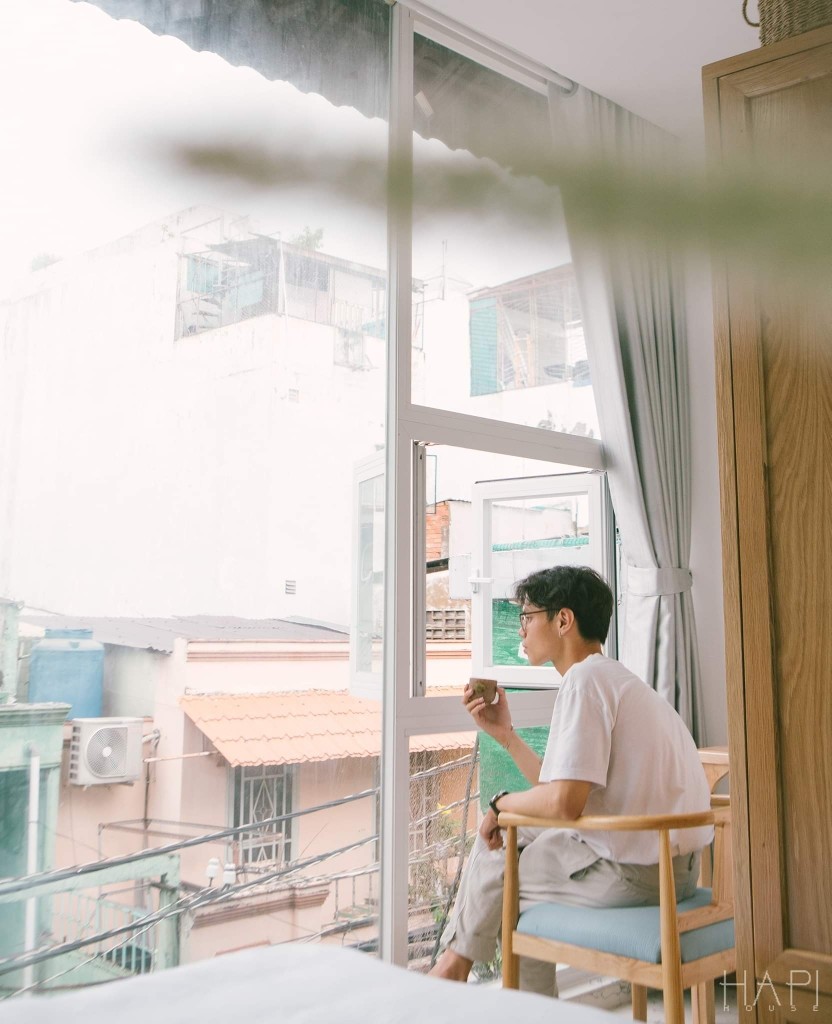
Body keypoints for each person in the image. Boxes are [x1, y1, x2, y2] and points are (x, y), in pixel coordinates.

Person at [429, 565, 711, 996]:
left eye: (527, 617)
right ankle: (457, 966)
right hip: (679, 868)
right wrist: (506, 736)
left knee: (502, 867)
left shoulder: (584, 681)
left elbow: (563, 804)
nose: (521, 629)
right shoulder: (615, 679)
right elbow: (560, 787)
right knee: (509, 849)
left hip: (637, 871)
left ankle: (458, 971)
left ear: (563, 620)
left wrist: (499, 805)